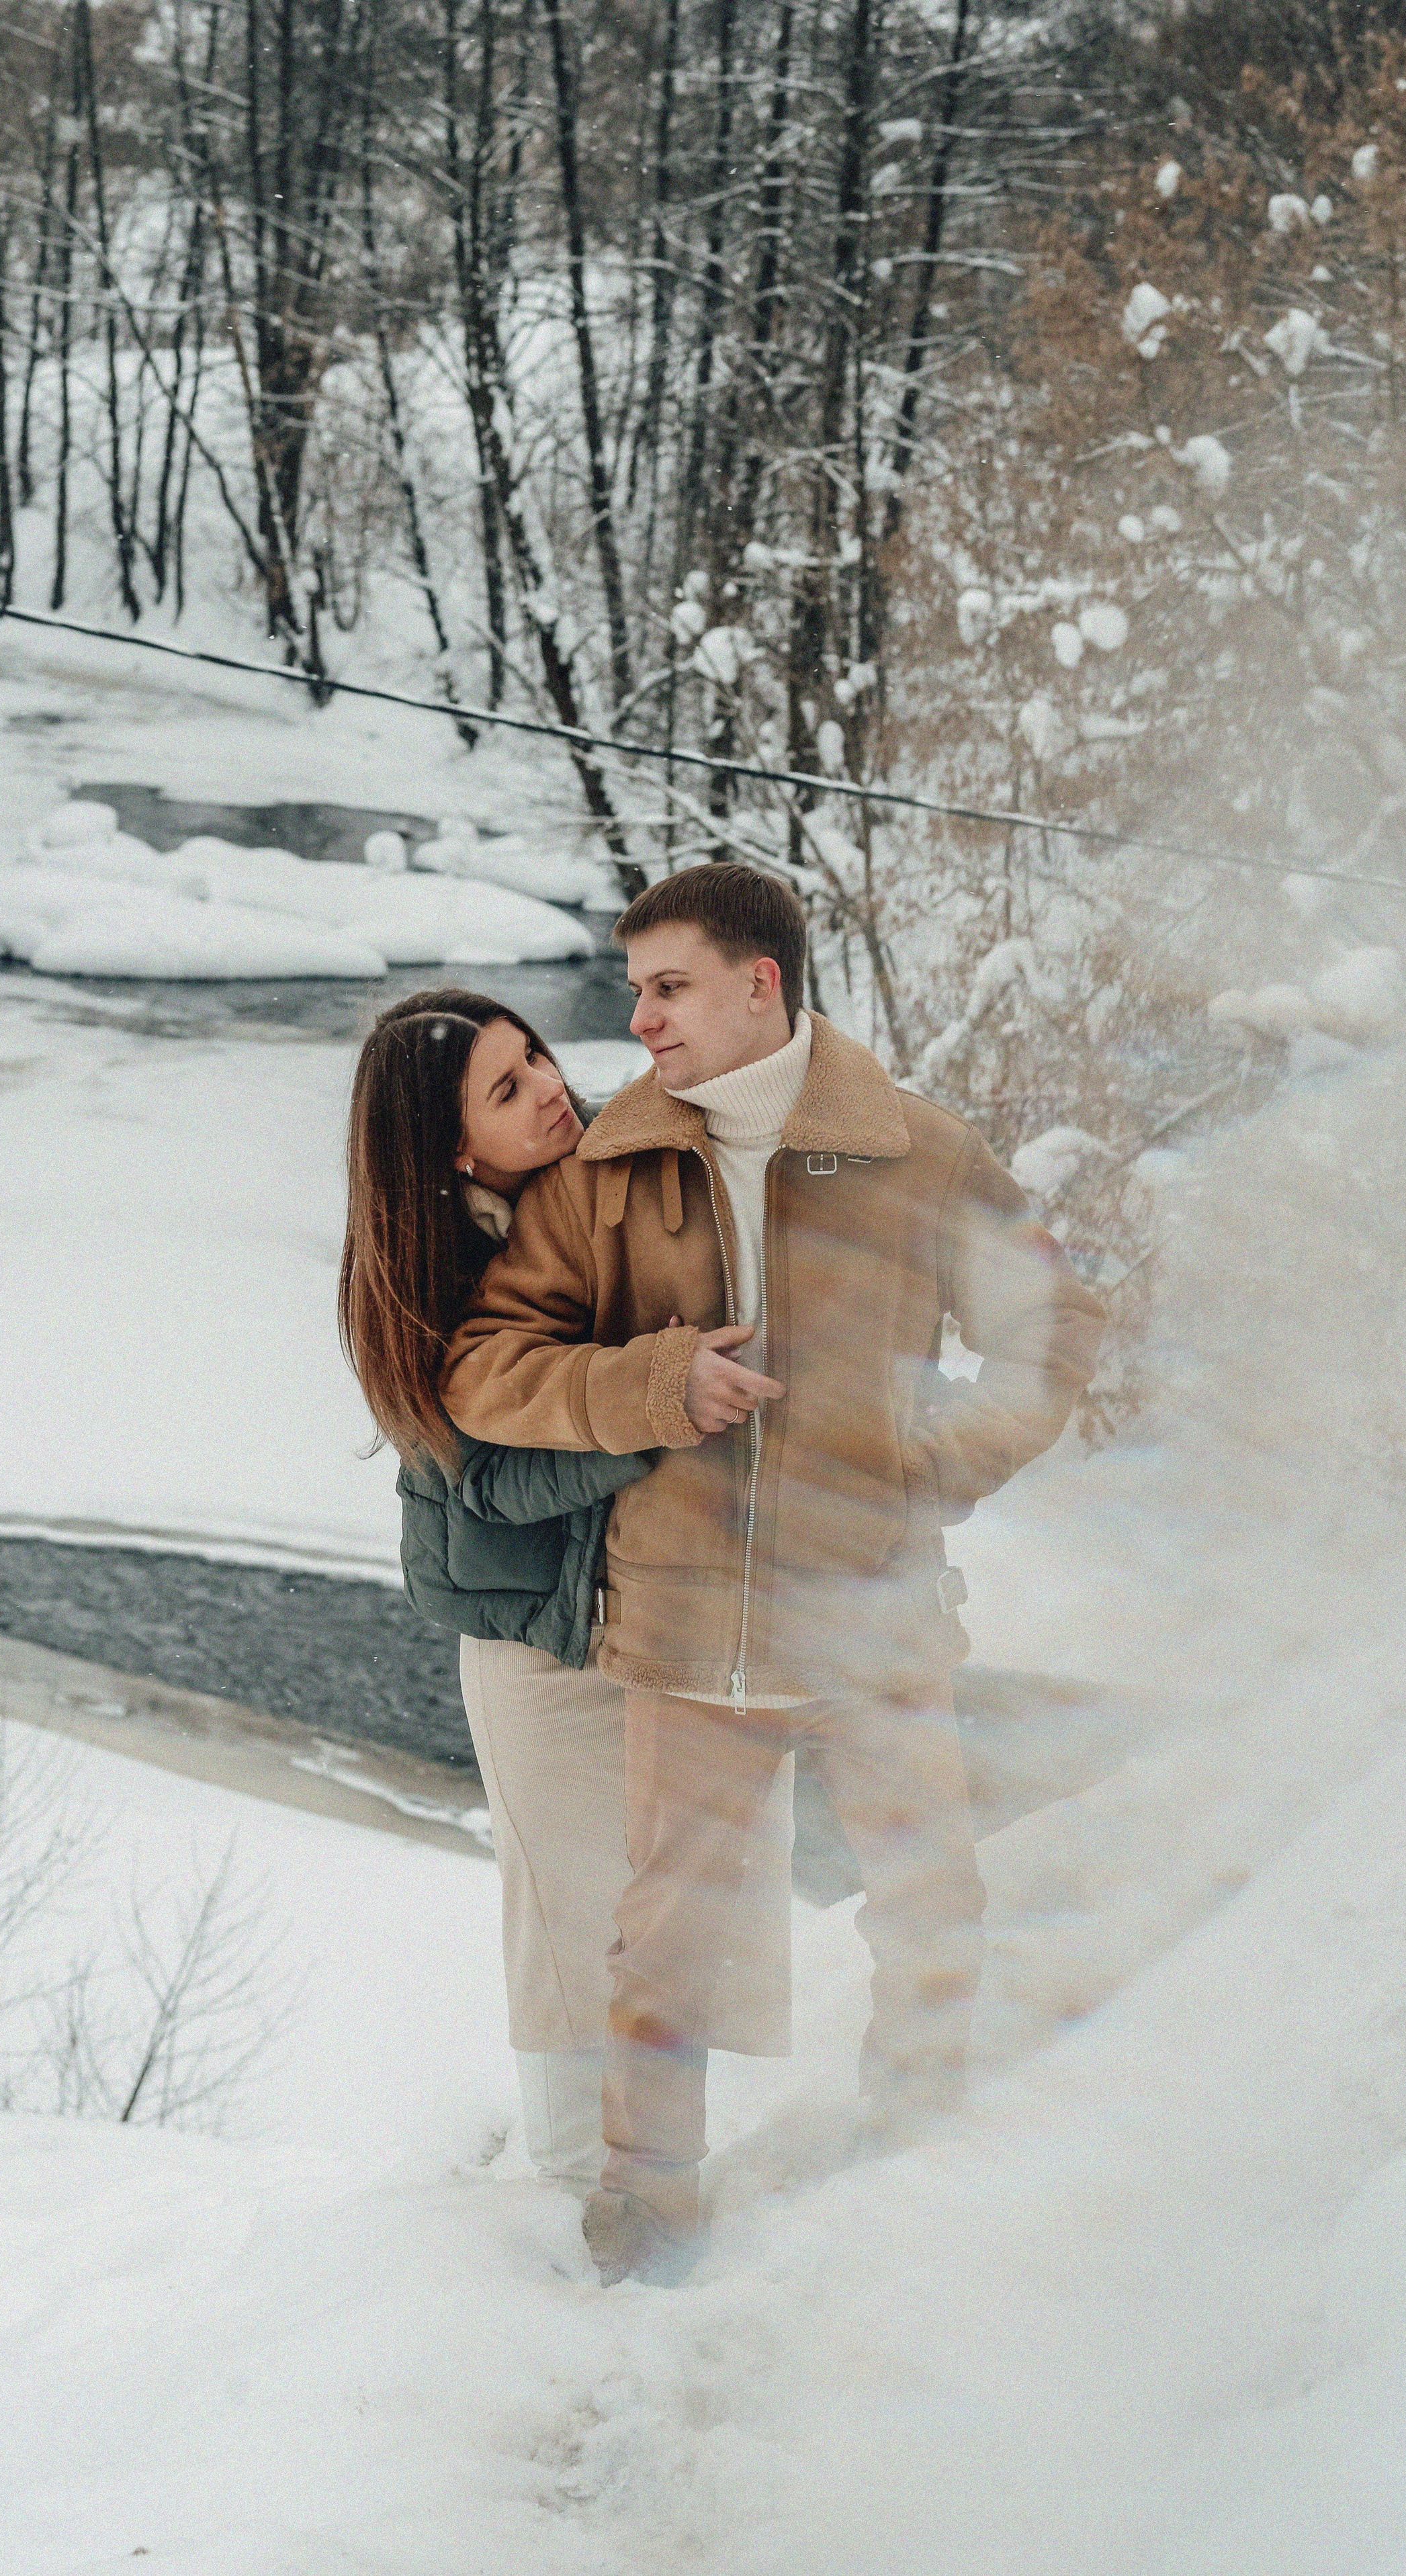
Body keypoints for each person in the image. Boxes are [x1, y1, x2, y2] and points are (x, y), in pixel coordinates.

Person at [442, 865, 1107, 2282]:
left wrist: (932, 1467)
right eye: (632, 988)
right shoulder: (606, 1170)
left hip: (874, 1619)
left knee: (929, 1903)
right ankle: (642, 2241)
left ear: (762, 985)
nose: (638, 1018)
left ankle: (915, 2175)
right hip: (685, 1636)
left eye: (666, 985)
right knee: (658, 1955)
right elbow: (487, 1370)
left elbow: (1052, 1322)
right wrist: (652, 1384)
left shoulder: (916, 1151)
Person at [337, 987, 794, 2191]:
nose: (549, 1083)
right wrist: (656, 1411)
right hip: (541, 1653)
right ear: (448, 1149)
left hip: (659, 1623)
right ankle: (568, 2204)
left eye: (534, 1054)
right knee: (576, 1939)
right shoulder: (426, 1271)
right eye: (506, 1087)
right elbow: (488, 1479)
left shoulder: (610, 1183)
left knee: (697, 1925)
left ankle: (692, 2185)